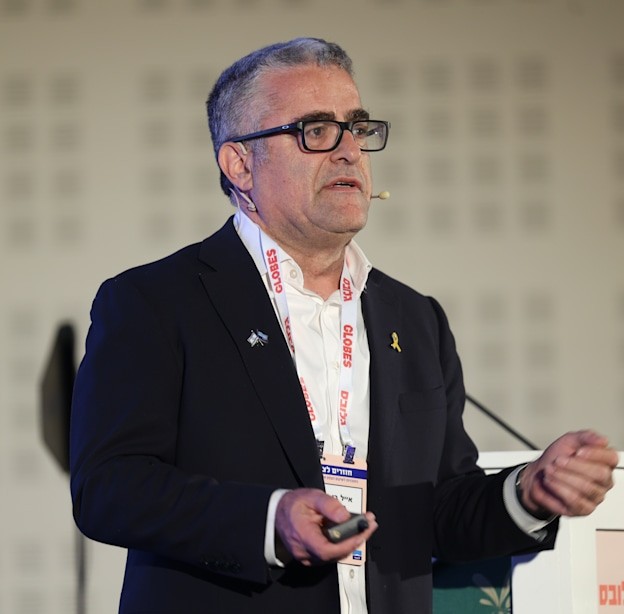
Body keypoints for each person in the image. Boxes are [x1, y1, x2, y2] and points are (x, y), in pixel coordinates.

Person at [69, 37, 618, 614]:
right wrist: (268, 520)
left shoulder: (414, 317)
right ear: (240, 164)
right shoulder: (156, 301)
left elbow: (436, 509)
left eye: (356, 127)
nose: (350, 151)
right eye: (316, 130)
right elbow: (110, 488)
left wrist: (528, 492)